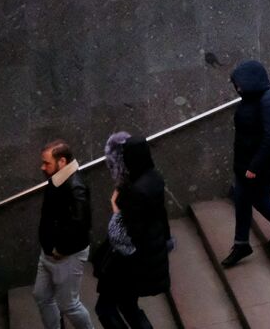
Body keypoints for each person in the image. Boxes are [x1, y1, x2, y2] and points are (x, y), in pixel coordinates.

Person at [220, 61, 270, 268]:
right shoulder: (251, 98)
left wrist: (254, 167)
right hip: (247, 161)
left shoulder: (267, 101)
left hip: (262, 164)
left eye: (240, 84)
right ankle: (241, 243)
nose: (238, 89)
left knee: (259, 199)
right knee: (242, 199)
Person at [95, 133, 170, 329]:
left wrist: (115, 208)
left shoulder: (136, 191)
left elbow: (123, 236)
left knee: (106, 308)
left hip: (130, 263)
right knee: (128, 306)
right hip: (147, 256)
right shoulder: (154, 178)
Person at [34, 139, 93, 329]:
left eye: (47, 163)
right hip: (49, 252)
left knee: (69, 305)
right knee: (42, 296)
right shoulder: (58, 178)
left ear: (62, 162)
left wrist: (62, 249)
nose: (42, 167)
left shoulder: (75, 186)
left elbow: (81, 223)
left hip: (67, 255)